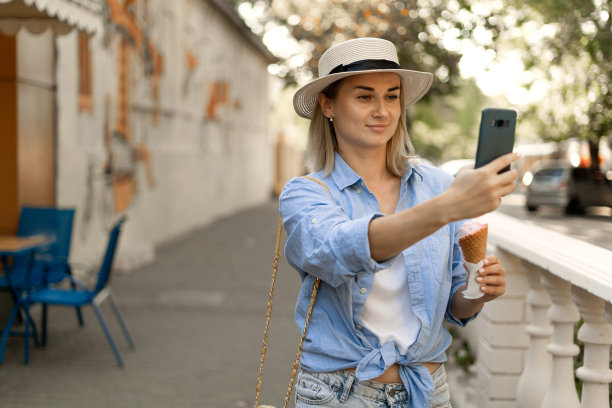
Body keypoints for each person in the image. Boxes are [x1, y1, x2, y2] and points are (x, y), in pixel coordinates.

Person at [279, 37, 519, 408]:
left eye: (392, 96)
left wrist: (478, 292)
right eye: (364, 97)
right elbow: (340, 249)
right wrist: (448, 206)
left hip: (427, 390)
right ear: (327, 103)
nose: (382, 111)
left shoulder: (437, 185)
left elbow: (456, 306)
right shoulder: (306, 194)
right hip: (339, 395)